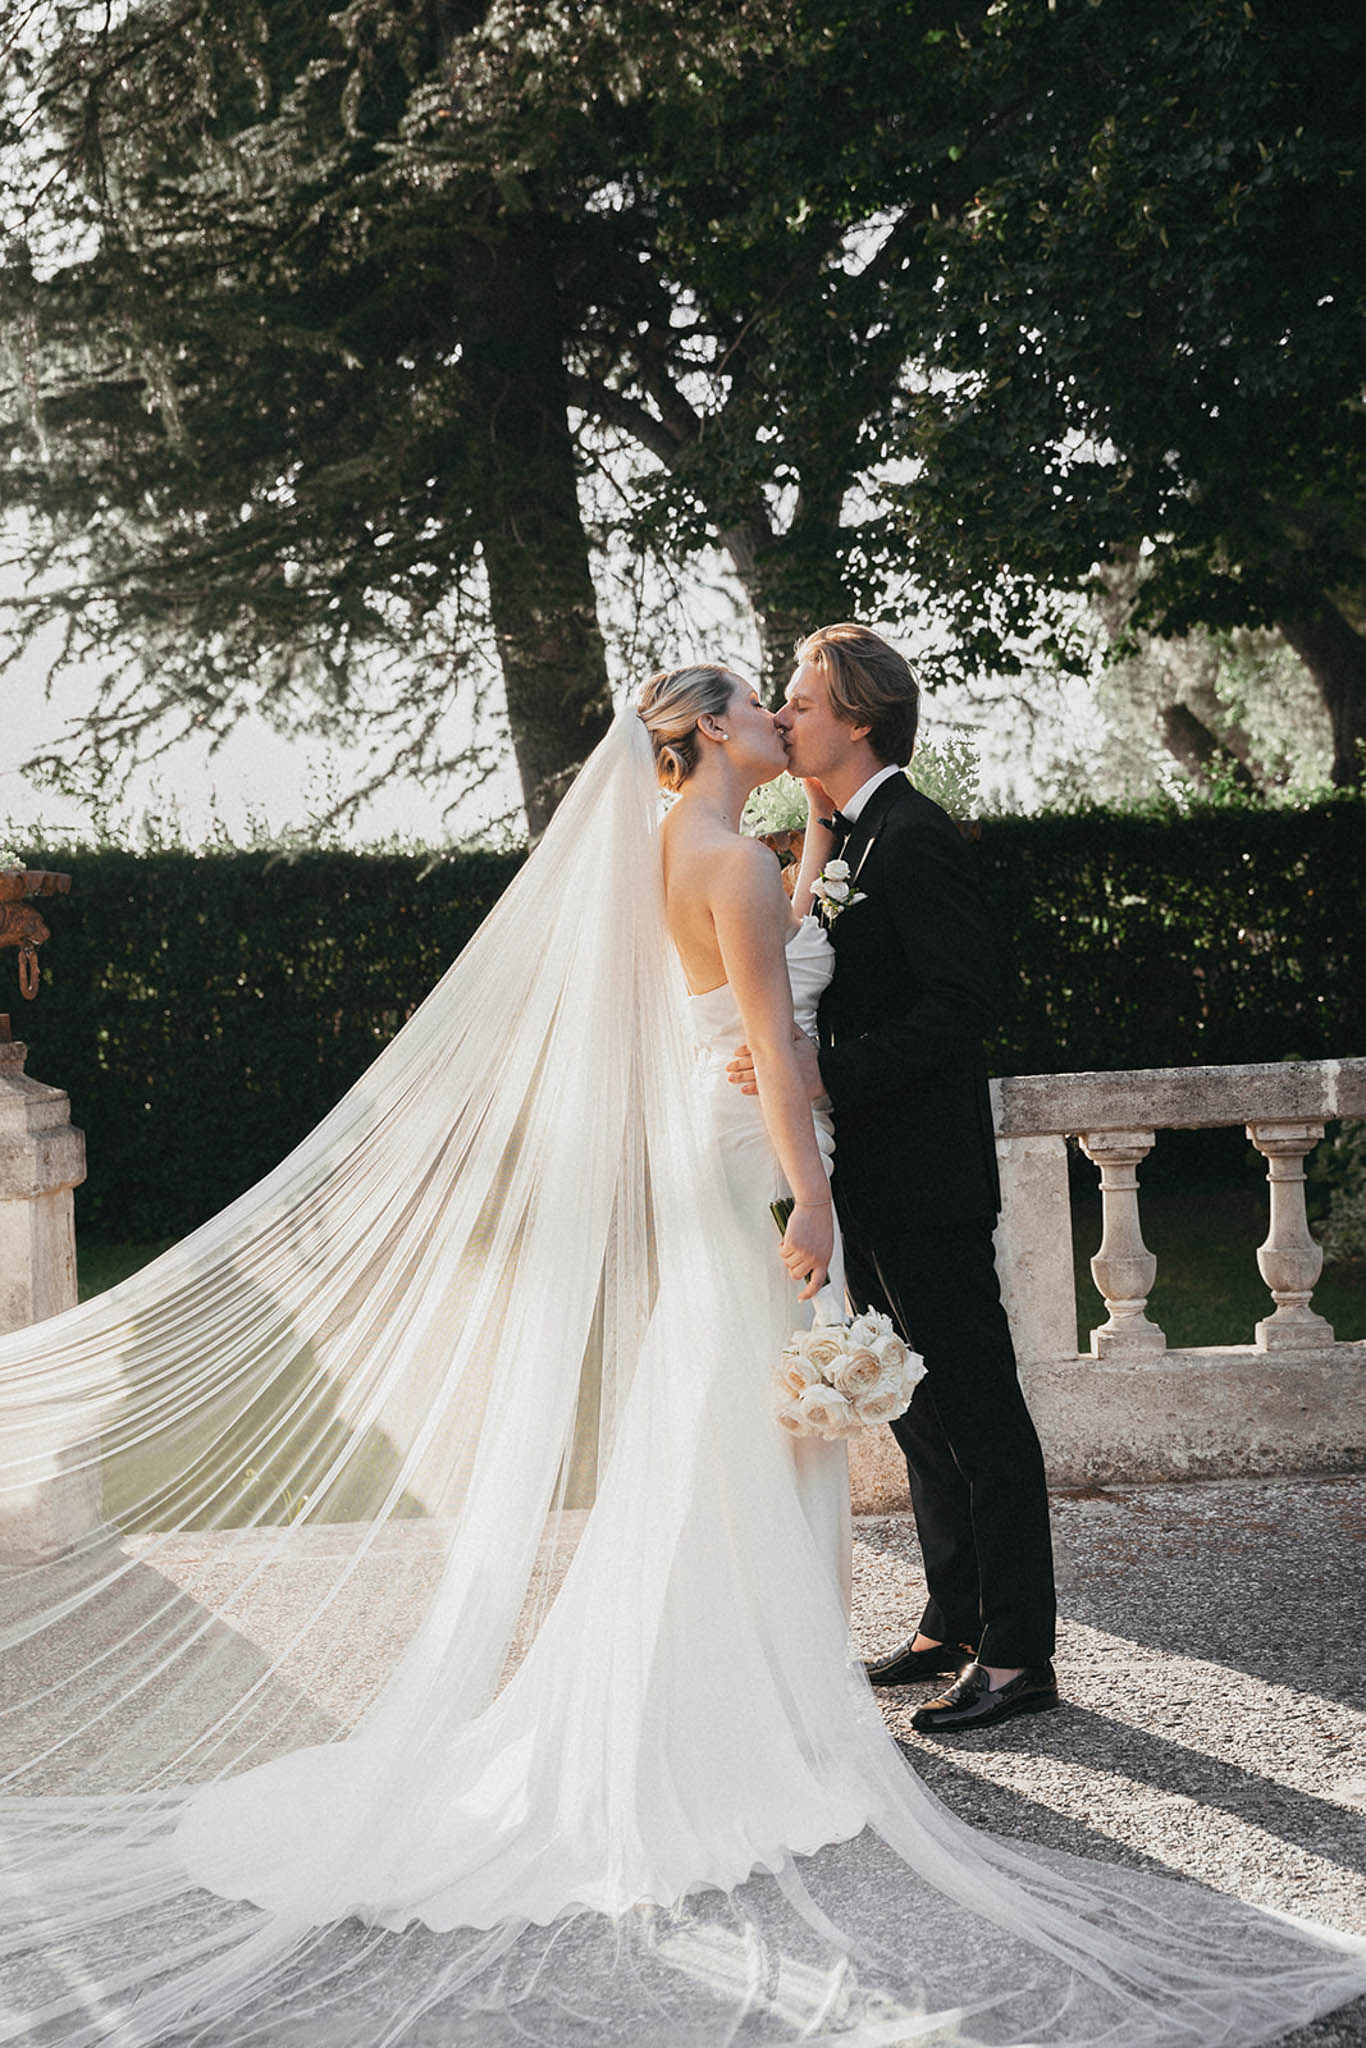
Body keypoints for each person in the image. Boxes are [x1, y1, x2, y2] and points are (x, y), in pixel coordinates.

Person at [0, 671, 1364, 2047]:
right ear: (716, 731)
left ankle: (808, 1668)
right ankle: (764, 1709)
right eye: (761, 708)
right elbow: (771, 1040)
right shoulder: (735, 862)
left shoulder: (674, 845)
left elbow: (747, 998)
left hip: (723, 1168)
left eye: (796, 703)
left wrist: (807, 888)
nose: (780, 718)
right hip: (770, 1171)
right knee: (755, 1428)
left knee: (720, 1417)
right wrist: (812, 1191)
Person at [731, 624, 1057, 1732]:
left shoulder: (914, 838)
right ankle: (951, 1617)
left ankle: (1017, 1653)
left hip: (926, 1174)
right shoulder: (843, 834)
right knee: (911, 1407)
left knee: (976, 1406)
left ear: (857, 718)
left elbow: (963, 1003)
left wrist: (826, 1073)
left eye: (800, 702)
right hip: (862, 1173)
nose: (781, 716)